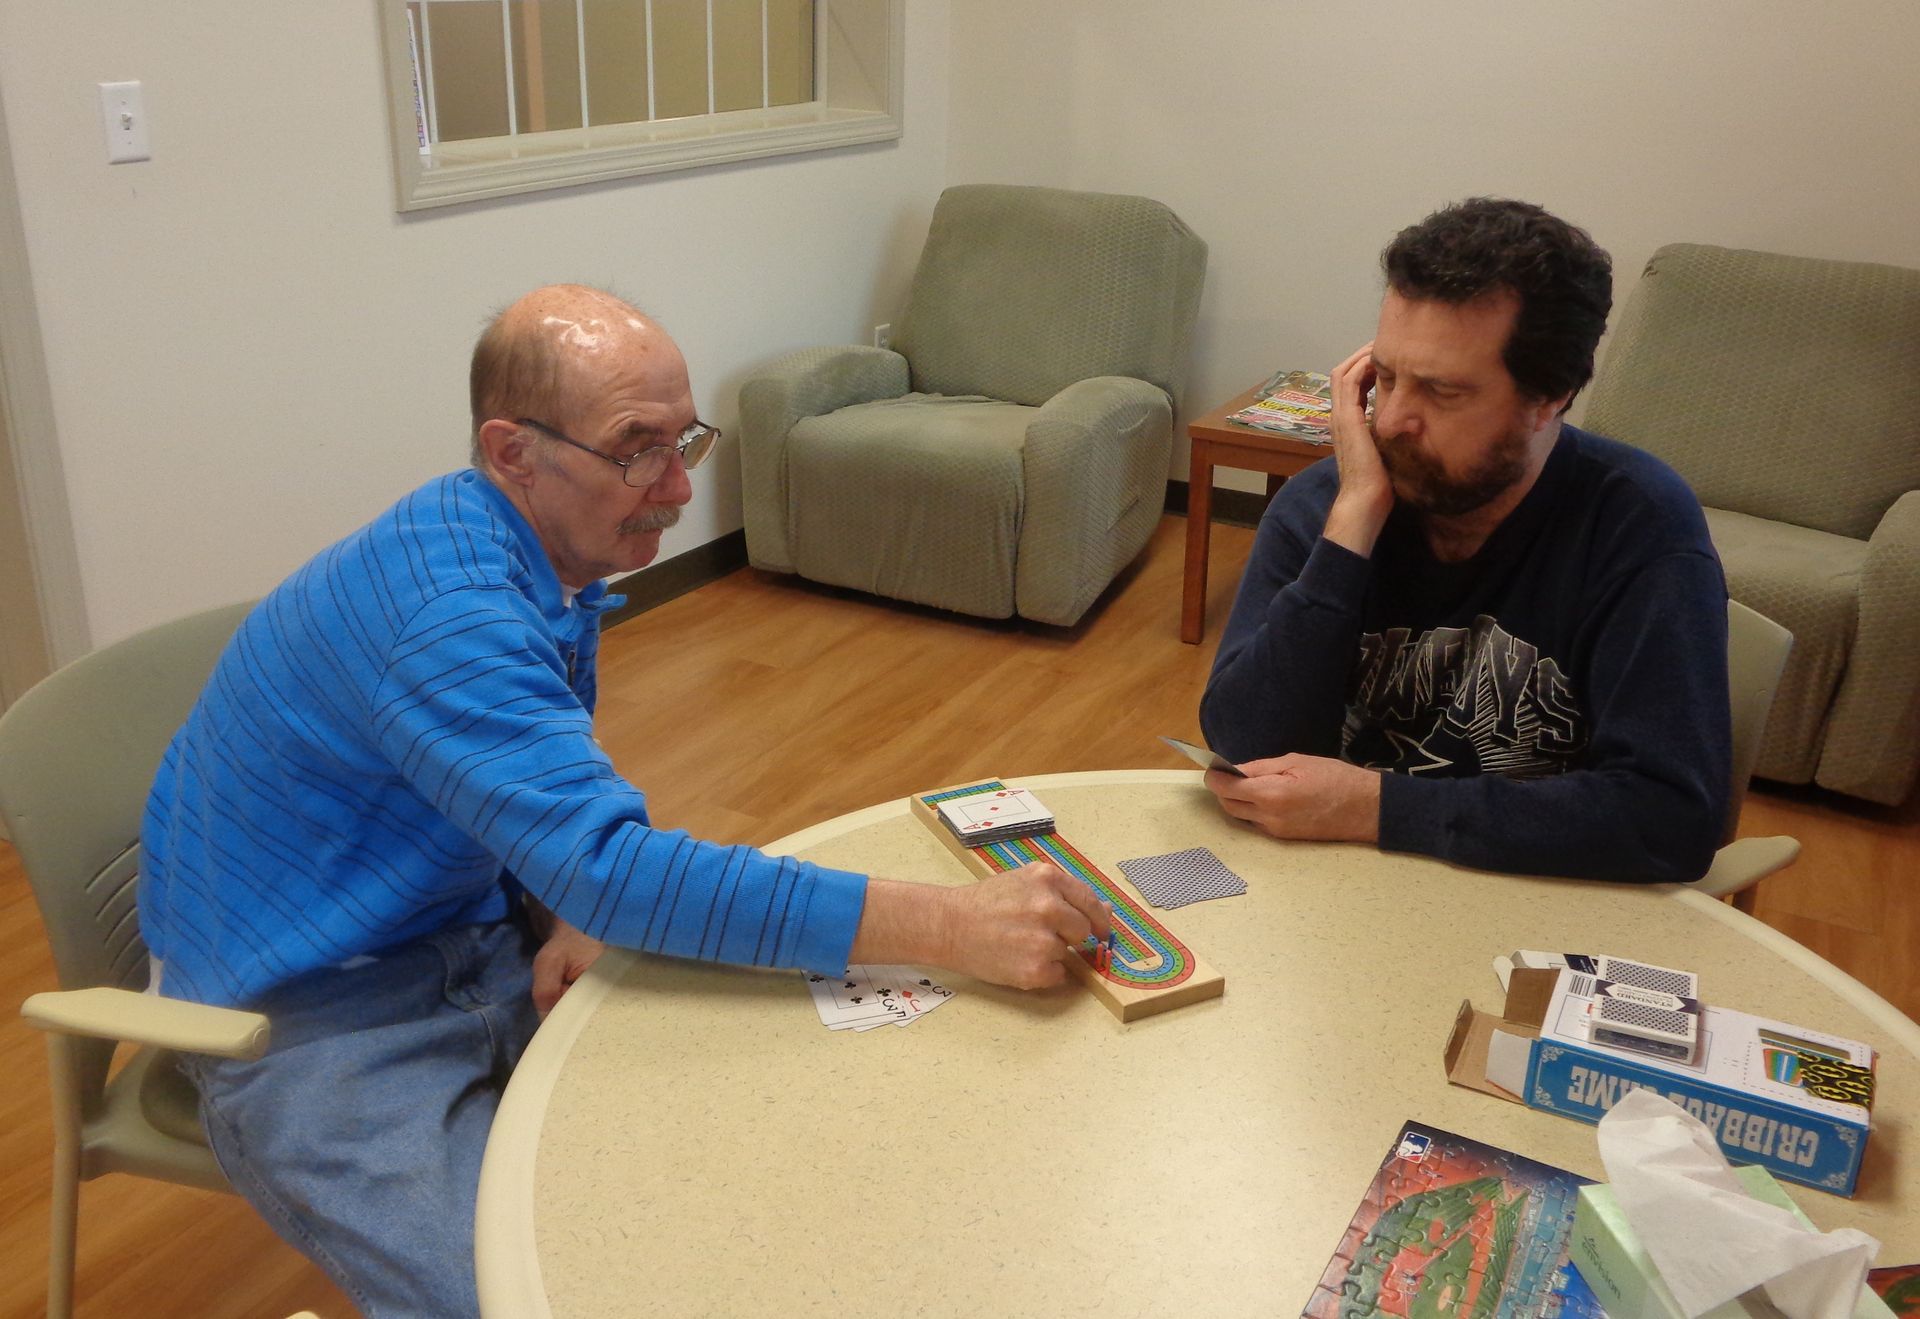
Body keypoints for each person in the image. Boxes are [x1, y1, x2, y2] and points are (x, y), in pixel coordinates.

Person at [137, 284, 1112, 1318]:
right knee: (525, 1295)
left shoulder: (540, 553)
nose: (679, 487)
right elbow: (615, 868)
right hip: (307, 1019)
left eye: (682, 439)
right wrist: (950, 923)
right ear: (513, 451)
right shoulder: (449, 615)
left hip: (468, 930)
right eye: (636, 450)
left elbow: (540, 810)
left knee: (735, 1187)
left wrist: (557, 901)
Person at [1198, 199, 1730, 883]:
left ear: (1550, 397)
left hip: (1536, 903)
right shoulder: (1326, 506)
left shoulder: (1638, 524)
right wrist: (1351, 525)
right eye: (1385, 377)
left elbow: (1670, 817)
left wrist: (1377, 807)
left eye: (1440, 392)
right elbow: (1247, 751)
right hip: (1332, 891)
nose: (1391, 422)